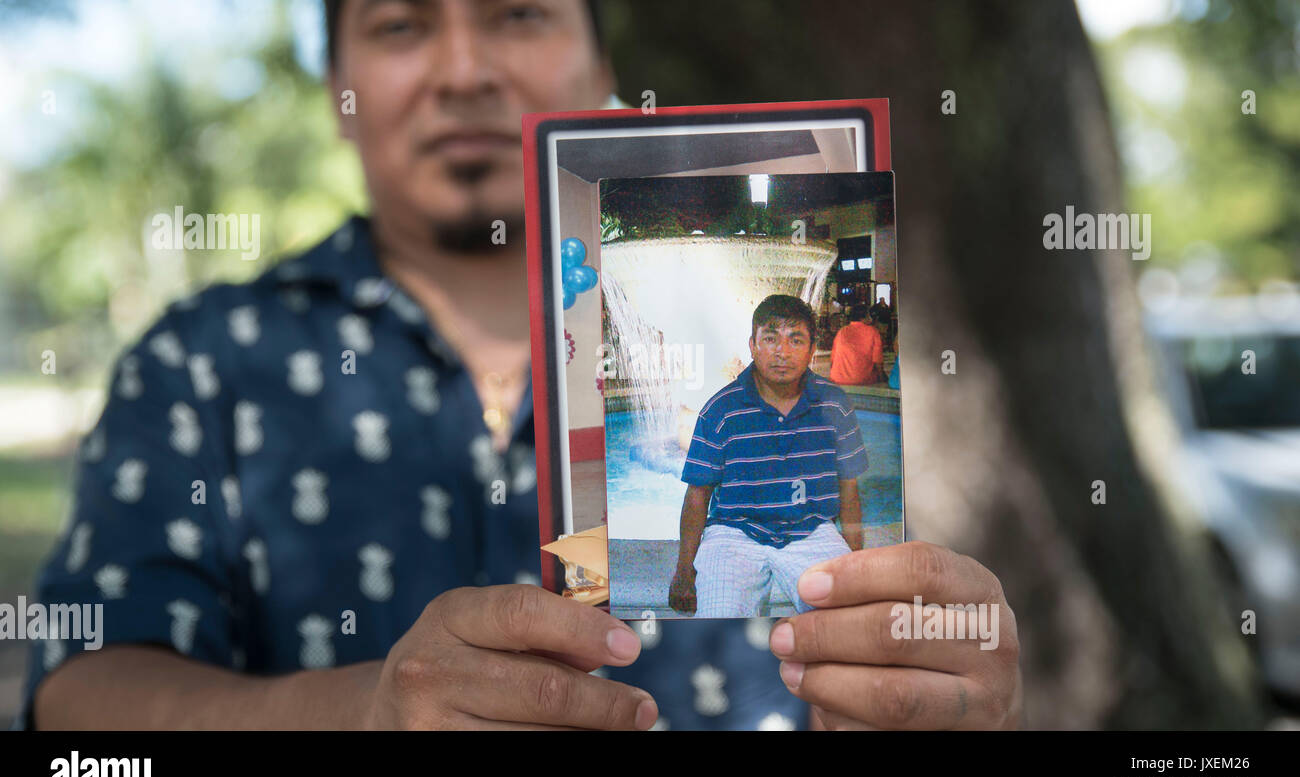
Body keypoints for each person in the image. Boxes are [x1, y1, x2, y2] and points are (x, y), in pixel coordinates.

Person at [23, 0, 1022, 731]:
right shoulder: (201, 361)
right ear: (338, 90)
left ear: (600, 67)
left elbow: (868, 617)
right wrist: (358, 711)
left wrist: (934, 692)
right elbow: (76, 704)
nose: (464, 69)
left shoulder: (793, 377)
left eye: (517, 14)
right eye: (401, 26)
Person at [669, 296, 865, 618]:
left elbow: (848, 487)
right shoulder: (721, 410)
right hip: (733, 532)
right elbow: (697, 494)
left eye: (795, 340)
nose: (782, 352)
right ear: (753, 345)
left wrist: (856, 559)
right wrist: (683, 570)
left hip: (812, 529)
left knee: (848, 620)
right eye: (770, 338)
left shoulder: (834, 405)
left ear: (812, 349)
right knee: (720, 623)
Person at [829, 303, 884, 385]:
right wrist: (882, 377)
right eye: (869, 314)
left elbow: (833, 359)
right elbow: (877, 360)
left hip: (836, 378)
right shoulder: (873, 331)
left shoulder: (842, 331)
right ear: (864, 317)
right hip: (860, 379)